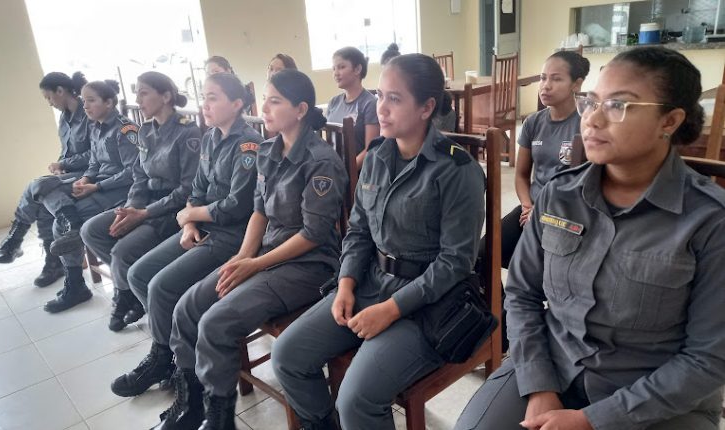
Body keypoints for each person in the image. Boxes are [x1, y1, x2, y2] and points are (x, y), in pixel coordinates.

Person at [454, 46, 725, 430]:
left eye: (618, 105)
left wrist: (593, 420)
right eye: (592, 102)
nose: (593, 119)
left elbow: (708, 358)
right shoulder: (559, 195)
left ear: (669, 120)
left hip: (656, 396)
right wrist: (539, 386)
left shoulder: (710, 220)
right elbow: (522, 293)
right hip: (553, 364)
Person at [272, 53, 486, 430]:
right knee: (287, 355)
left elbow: (455, 263)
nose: (381, 108)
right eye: (380, 95)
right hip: (370, 283)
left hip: (427, 303)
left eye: (395, 99)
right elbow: (358, 230)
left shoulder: (456, 170)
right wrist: (345, 284)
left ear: (427, 107)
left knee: (356, 399)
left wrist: (391, 309)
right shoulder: (376, 157)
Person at [151, 69, 347, 430]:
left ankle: (220, 418)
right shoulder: (269, 149)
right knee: (187, 307)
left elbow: (314, 234)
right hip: (266, 255)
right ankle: (194, 405)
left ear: (301, 109)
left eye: (275, 101)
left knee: (215, 322)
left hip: (308, 265)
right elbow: (259, 211)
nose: (265, 108)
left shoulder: (320, 160)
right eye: (265, 100)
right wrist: (243, 256)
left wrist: (255, 264)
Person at [110, 73, 263, 398]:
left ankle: (178, 366)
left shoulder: (249, 144)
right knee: (138, 274)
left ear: (237, 104)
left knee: (161, 287)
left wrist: (191, 215)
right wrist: (190, 224)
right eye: (203, 97)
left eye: (213, 98)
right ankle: (166, 353)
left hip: (232, 236)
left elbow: (237, 205)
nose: (204, 105)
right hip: (201, 227)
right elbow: (195, 189)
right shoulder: (210, 138)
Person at [81, 71, 201, 332]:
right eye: (137, 93)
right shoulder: (146, 130)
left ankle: (125, 293)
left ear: (165, 97)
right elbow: (139, 175)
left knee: (121, 252)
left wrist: (144, 213)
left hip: (171, 210)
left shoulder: (187, 133)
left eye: (144, 93)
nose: (138, 100)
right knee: (91, 230)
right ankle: (130, 291)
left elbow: (187, 190)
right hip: (144, 204)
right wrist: (132, 208)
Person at [43, 80, 139, 313]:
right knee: (45, 190)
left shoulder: (125, 130)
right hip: (99, 186)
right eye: (84, 101)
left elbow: (132, 172)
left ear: (109, 102)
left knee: (60, 226)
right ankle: (75, 281)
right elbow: (95, 163)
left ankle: (82, 283)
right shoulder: (95, 127)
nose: (85, 106)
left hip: (119, 192)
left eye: (91, 100)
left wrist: (96, 187)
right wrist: (86, 179)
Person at [0, 71, 91, 288]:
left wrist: (65, 164)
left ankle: (15, 242)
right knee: (43, 197)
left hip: (90, 173)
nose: (49, 103)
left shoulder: (89, 112)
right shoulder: (64, 118)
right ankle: (51, 262)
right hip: (71, 173)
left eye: (49, 97)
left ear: (60, 91)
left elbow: (97, 154)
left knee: (37, 186)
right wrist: (59, 165)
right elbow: (67, 151)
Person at [493, 51, 590, 268]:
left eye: (556, 79)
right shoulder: (533, 123)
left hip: (565, 214)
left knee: (534, 266)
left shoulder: (585, 124)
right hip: (531, 208)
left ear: (576, 84)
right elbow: (521, 175)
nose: (546, 86)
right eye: (543, 78)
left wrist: (541, 214)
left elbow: (578, 185)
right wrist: (527, 206)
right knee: (484, 254)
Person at [326, 46, 380, 168]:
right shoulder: (333, 103)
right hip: (334, 169)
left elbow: (370, 149)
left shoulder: (370, 103)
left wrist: (346, 171)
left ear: (357, 69)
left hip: (357, 172)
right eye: (334, 68)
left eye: (341, 67)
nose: (336, 73)